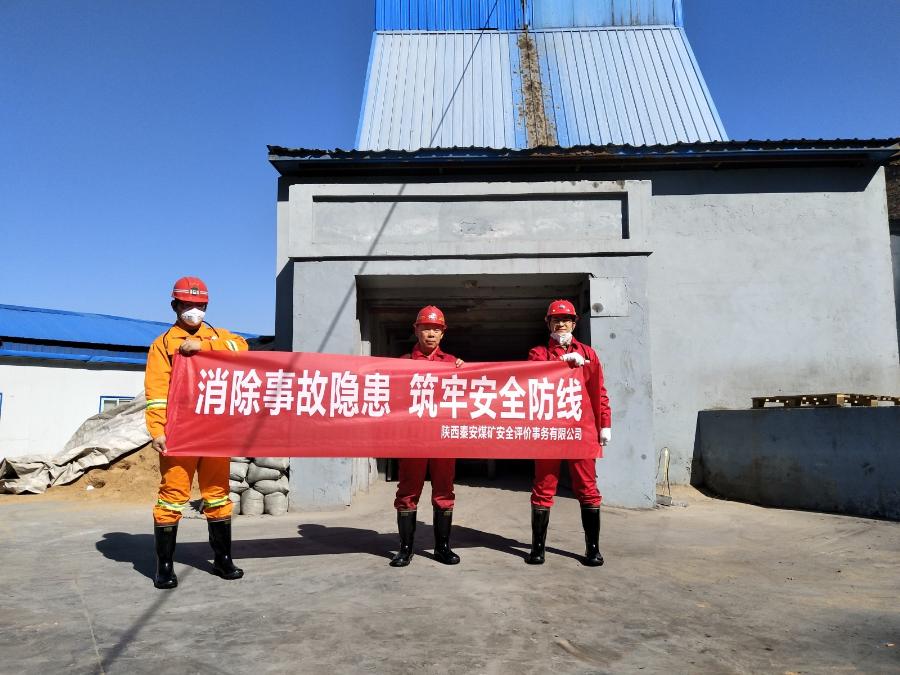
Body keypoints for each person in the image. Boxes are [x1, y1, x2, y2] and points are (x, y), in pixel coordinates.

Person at [144, 276, 248, 589]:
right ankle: (164, 566)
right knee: (172, 497)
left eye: (200, 305)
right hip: (180, 432)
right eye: (188, 304)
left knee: (218, 495)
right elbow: (156, 392)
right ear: (174, 305)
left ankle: (223, 559)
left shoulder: (219, 336)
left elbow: (243, 348)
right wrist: (157, 430)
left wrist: (205, 346)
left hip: (216, 430)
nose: (194, 311)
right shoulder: (163, 344)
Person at [526, 299, 611, 567]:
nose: (561, 324)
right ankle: (538, 549)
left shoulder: (589, 353)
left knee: (588, 488)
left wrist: (605, 424)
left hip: (581, 429)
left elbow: (600, 392)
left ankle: (593, 549)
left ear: (574, 324)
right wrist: (563, 363)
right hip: (549, 431)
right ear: (548, 323)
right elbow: (533, 377)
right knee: (543, 487)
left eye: (566, 320)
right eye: (556, 320)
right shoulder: (538, 353)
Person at [390, 305, 465, 568]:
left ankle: (442, 548)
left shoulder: (452, 362)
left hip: (443, 438)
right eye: (426, 328)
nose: (431, 334)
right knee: (408, 491)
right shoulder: (401, 364)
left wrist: (466, 371)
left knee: (444, 491)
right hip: (413, 439)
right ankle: (405, 549)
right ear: (416, 330)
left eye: (436, 329)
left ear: (443, 333)